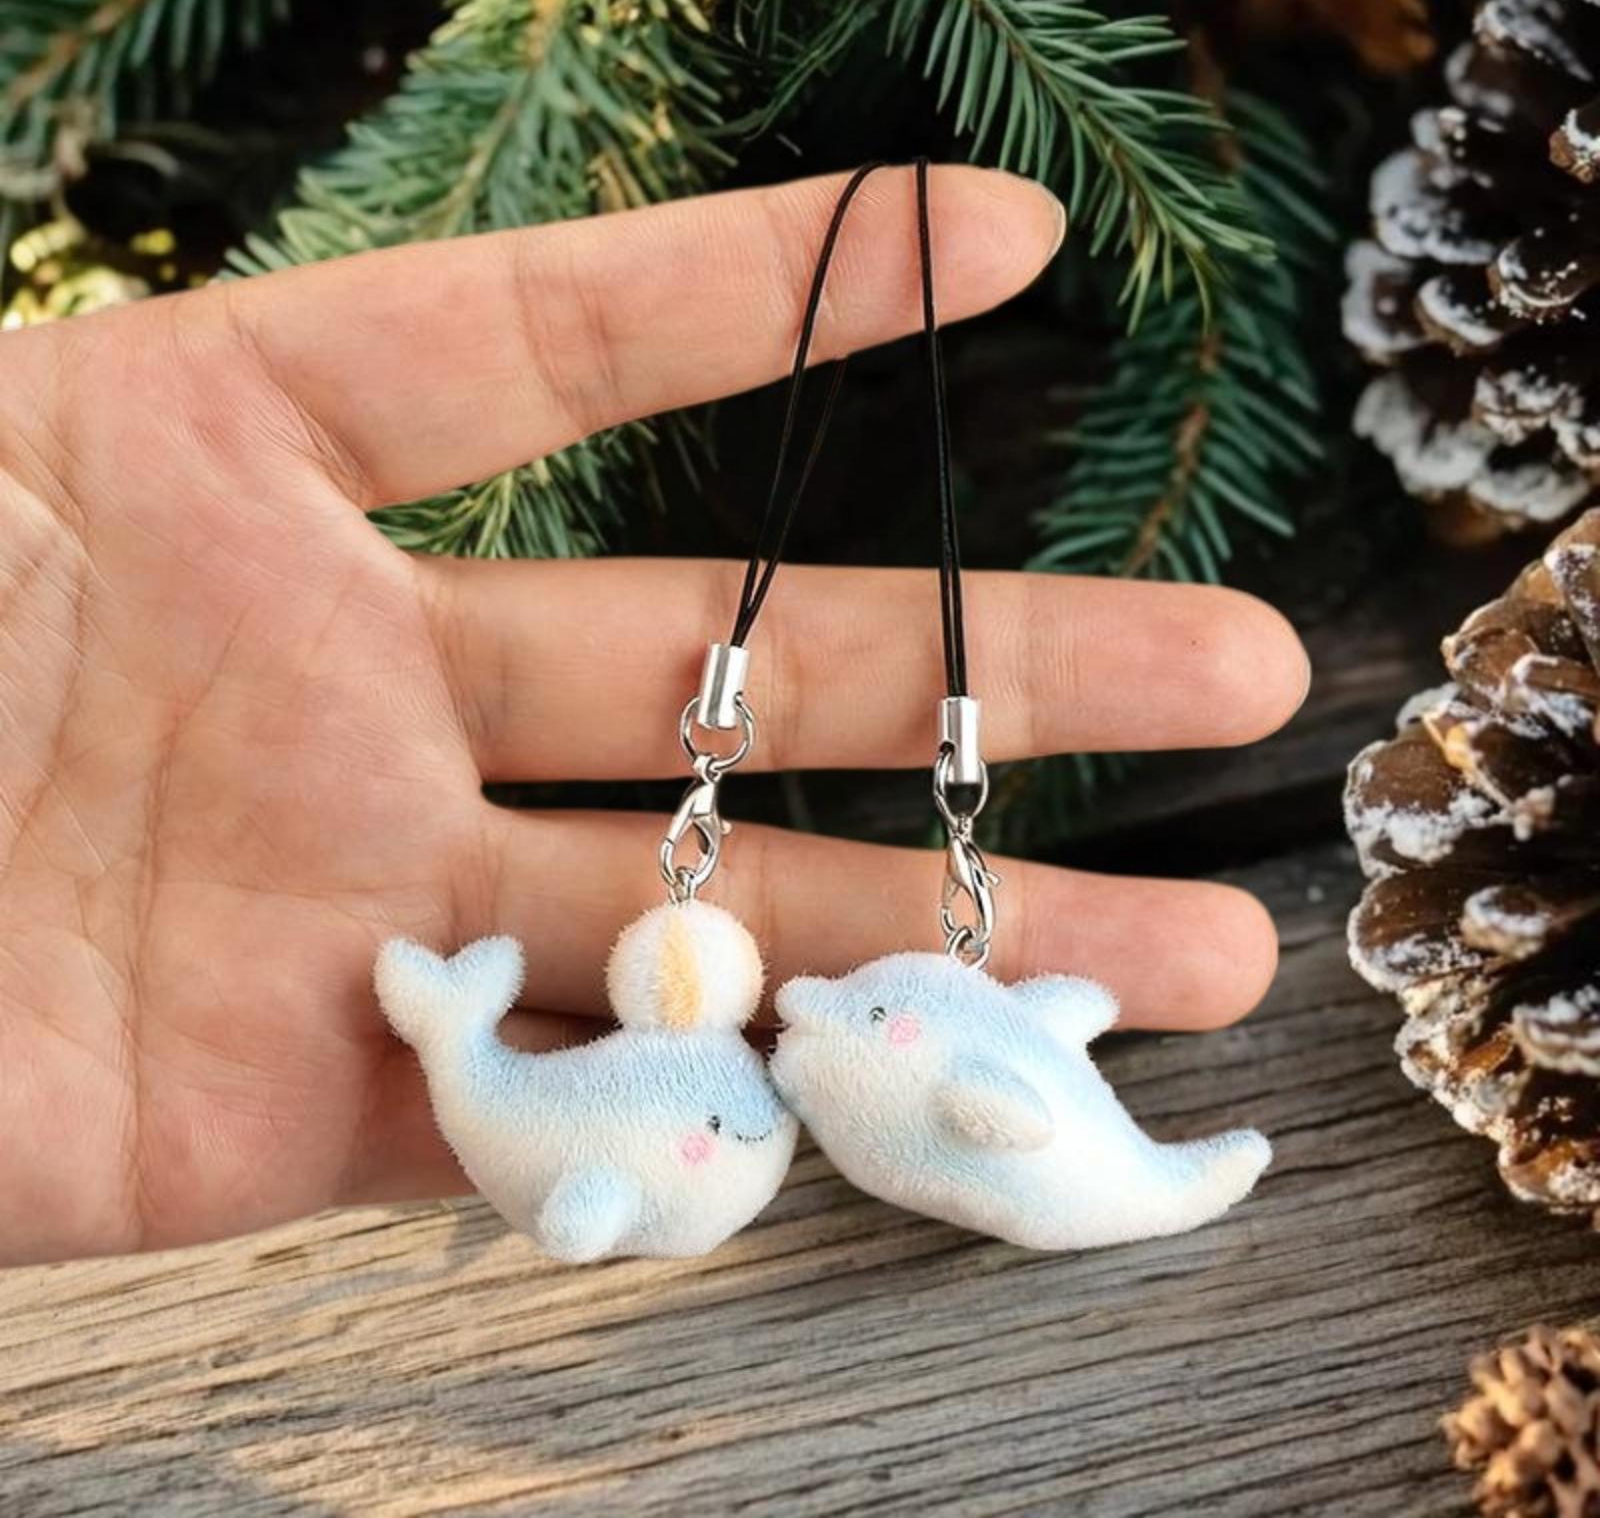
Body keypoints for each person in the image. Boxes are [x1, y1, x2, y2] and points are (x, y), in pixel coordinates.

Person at [0, 166, 1309, 1265]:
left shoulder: (909, 1063)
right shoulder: (726, 1053)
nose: (803, 1004)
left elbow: (1052, 1023)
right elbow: (585, 1216)